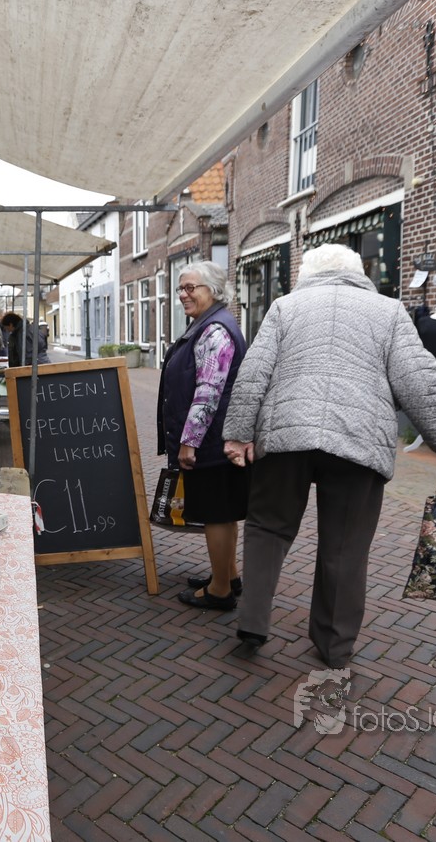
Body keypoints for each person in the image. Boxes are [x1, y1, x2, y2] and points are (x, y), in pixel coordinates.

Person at [222, 244, 436, 668]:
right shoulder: (388, 311)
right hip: (359, 439)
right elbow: (417, 379)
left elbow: (254, 372)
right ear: (359, 272)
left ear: (307, 273)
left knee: (267, 527)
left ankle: (253, 623)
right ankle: (334, 646)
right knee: (345, 545)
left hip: (286, 433)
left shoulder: (285, 307)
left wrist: (238, 434)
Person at [155, 261, 248, 611]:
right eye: (181, 288)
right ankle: (228, 575)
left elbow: (209, 391)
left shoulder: (214, 331)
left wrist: (189, 441)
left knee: (215, 514)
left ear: (214, 290)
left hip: (211, 441)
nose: (183, 294)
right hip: (218, 438)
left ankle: (220, 591)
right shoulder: (208, 325)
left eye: (191, 287)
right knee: (223, 512)